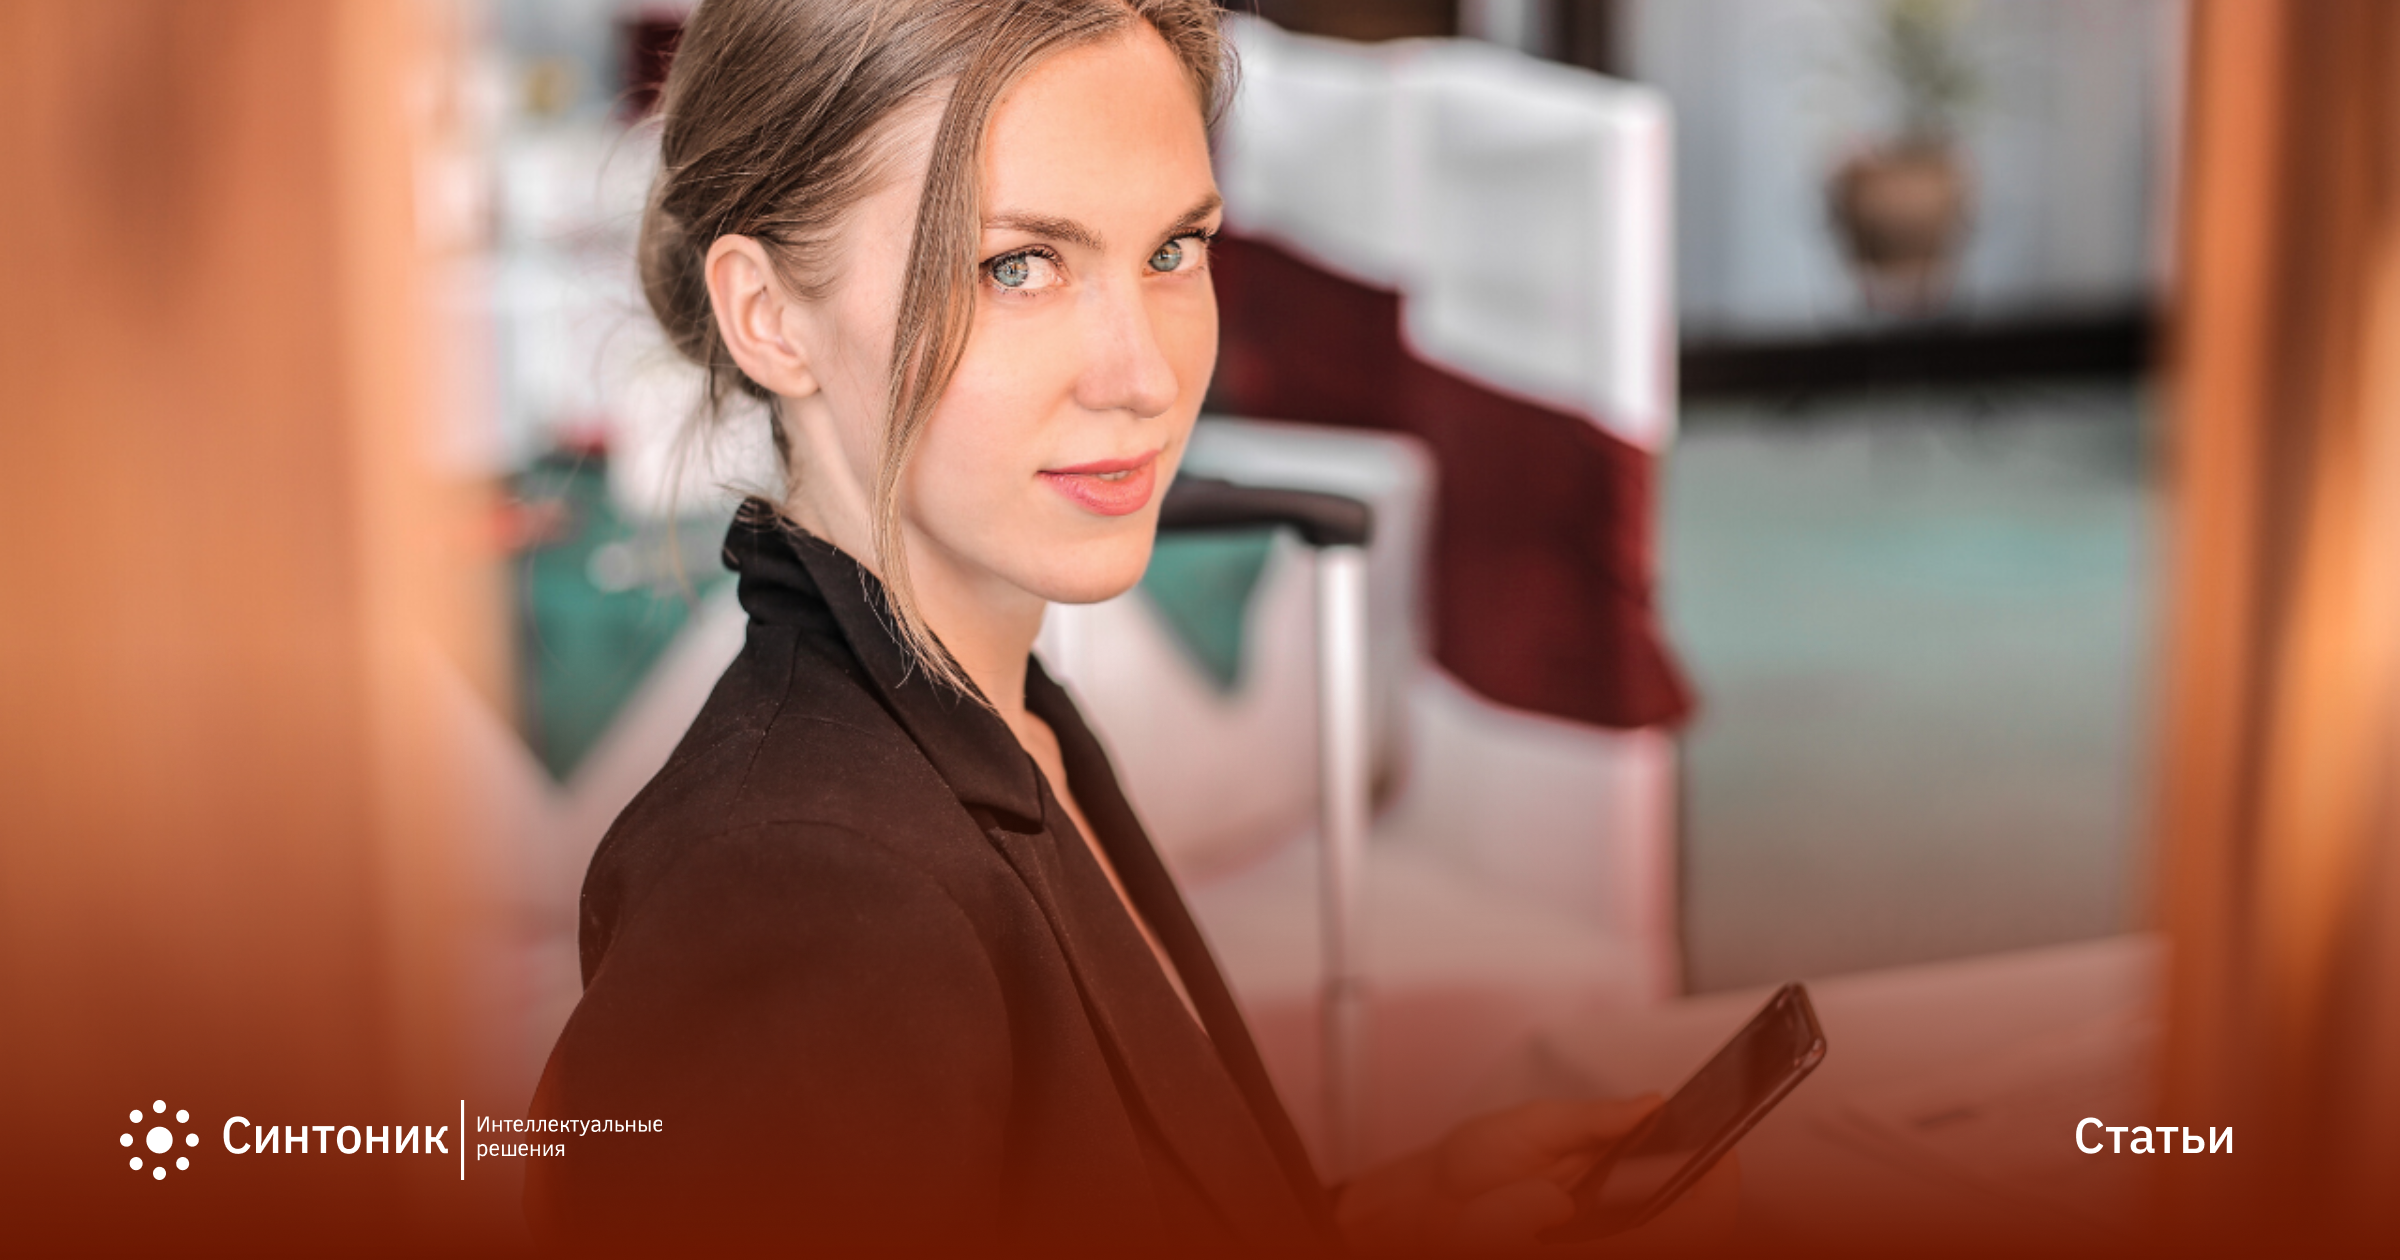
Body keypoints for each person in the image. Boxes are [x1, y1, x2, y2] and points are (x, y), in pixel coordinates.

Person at [523, 1, 1734, 1254]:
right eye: (1017, 266)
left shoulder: (1000, 722)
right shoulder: (804, 896)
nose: (1145, 375)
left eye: (1173, 250)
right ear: (769, 315)